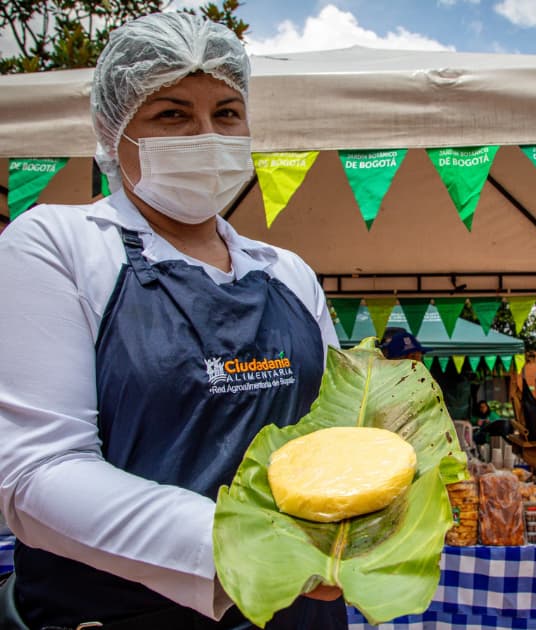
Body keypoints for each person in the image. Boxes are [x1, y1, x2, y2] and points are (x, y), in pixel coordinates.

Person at [0, 13, 347, 629]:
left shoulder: (288, 273)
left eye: (227, 112)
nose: (206, 134)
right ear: (114, 131)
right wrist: (250, 550)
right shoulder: (57, 244)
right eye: (172, 113)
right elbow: (38, 473)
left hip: (299, 611)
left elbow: (337, 439)